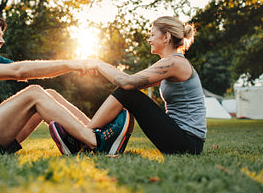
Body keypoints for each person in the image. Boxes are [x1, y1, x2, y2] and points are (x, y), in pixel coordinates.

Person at [0, 15, 132, 155]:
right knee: (34, 93)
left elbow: (34, 69)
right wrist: (71, 64)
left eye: (1, 36)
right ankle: (97, 142)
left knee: (48, 93)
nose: (1, 40)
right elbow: (20, 71)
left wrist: (75, 66)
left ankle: (92, 133)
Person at [50, 16, 206, 155]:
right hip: (183, 140)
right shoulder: (172, 63)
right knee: (127, 94)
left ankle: (82, 138)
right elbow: (129, 82)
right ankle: (90, 136)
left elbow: (127, 83)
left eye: (152, 35)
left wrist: (97, 63)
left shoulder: (175, 63)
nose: (149, 39)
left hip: (187, 142)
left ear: (166, 37)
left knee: (127, 92)